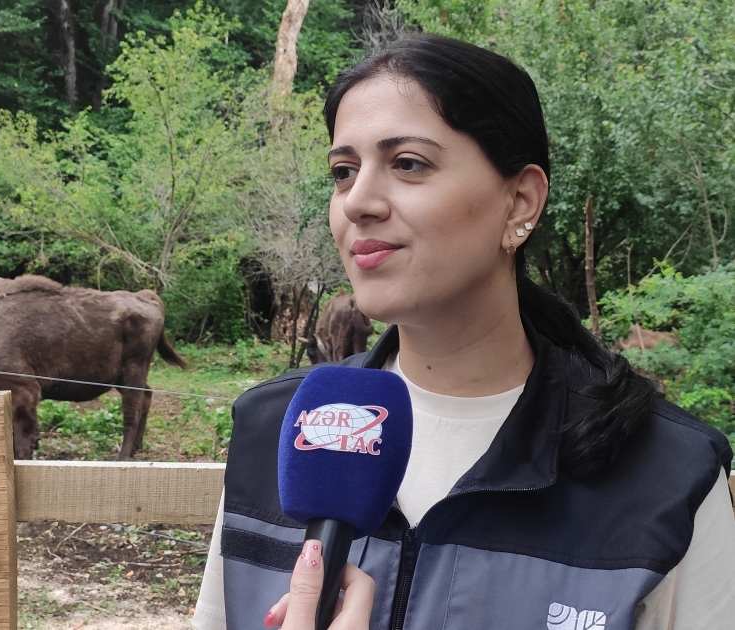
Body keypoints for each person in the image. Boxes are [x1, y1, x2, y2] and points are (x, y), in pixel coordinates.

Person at [192, 34, 735, 630]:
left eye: (407, 164)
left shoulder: (666, 474)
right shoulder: (276, 431)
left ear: (519, 202)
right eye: (343, 172)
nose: (358, 202)